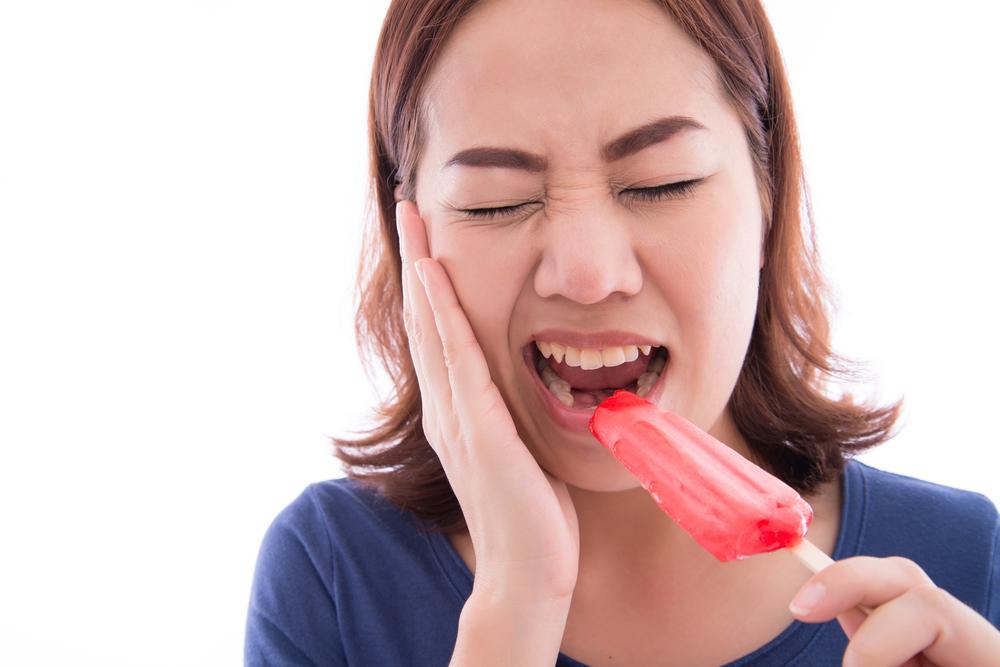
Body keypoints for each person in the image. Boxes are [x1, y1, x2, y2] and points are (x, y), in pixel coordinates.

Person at [244, 0, 1000, 664]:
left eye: (661, 182)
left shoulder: (966, 563)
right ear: (410, 239)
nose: (587, 273)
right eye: (495, 200)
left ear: (767, 197)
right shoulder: (333, 580)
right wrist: (516, 601)